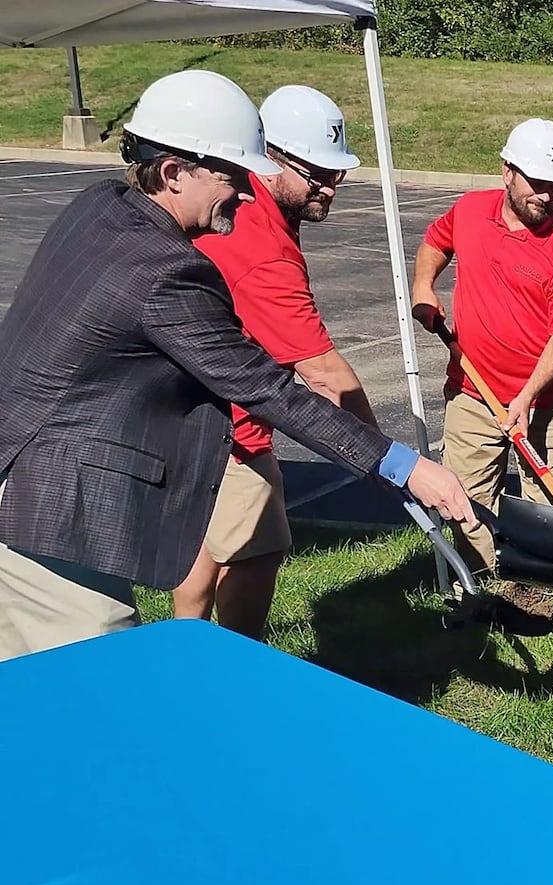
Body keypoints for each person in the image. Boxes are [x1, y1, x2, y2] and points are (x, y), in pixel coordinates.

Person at [0, 69, 474, 663]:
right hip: (43, 510)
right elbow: (267, 387)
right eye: (231, 175)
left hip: (24, 482)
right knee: (96, 701)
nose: (246, 193)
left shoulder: (99, 205)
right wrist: (401, 464)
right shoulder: (166, 272)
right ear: (173, 173)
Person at [173, 85, 376, 640]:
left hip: (187, 414)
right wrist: (385, 458)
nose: (331, 187)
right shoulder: (264, 252)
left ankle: (183, 653)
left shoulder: (245, 210)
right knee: (261, 547)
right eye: (317, 175)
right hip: (231, 428)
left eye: (338, 174)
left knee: (204, 550)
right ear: (272, 160)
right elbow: (323, 374)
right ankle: (240, 669)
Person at [411, 118, 553, 588]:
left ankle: (542, 599)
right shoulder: (471, 211)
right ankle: (476, 592)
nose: (547, 196)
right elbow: (436, 242)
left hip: (547, 405)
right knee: (466, 501)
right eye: (537, 183)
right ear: (506, 171)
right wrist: (423, 287)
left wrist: (526, 397)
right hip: (473, 393)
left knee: (548, 512)